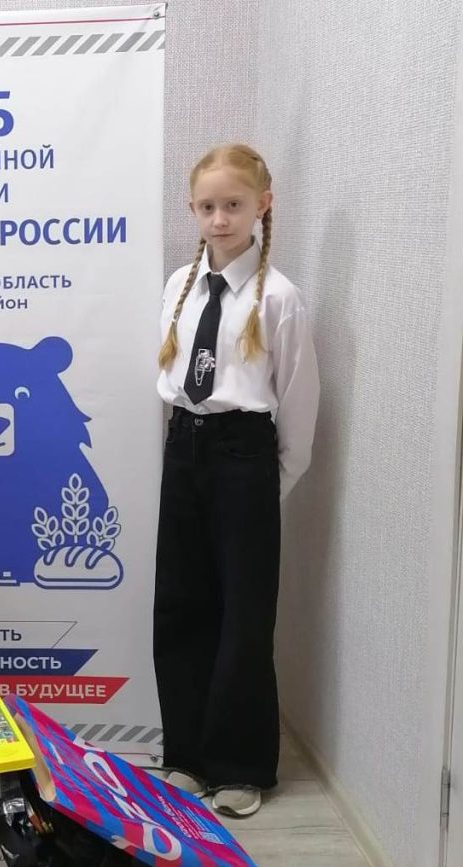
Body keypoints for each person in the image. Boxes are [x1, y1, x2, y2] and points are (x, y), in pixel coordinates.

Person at [153, 143, 319, 818]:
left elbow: (299, 405)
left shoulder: (279, 297)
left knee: (243, 613)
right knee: (180, 604)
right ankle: (187, 755)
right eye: (207, 207)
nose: (219, 219)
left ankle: (239, 764)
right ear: (192, 209)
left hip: (245, 456)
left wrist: (263, 490)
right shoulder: (180, 284)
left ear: (263, 206)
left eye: (234, 205)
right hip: (183, 447)